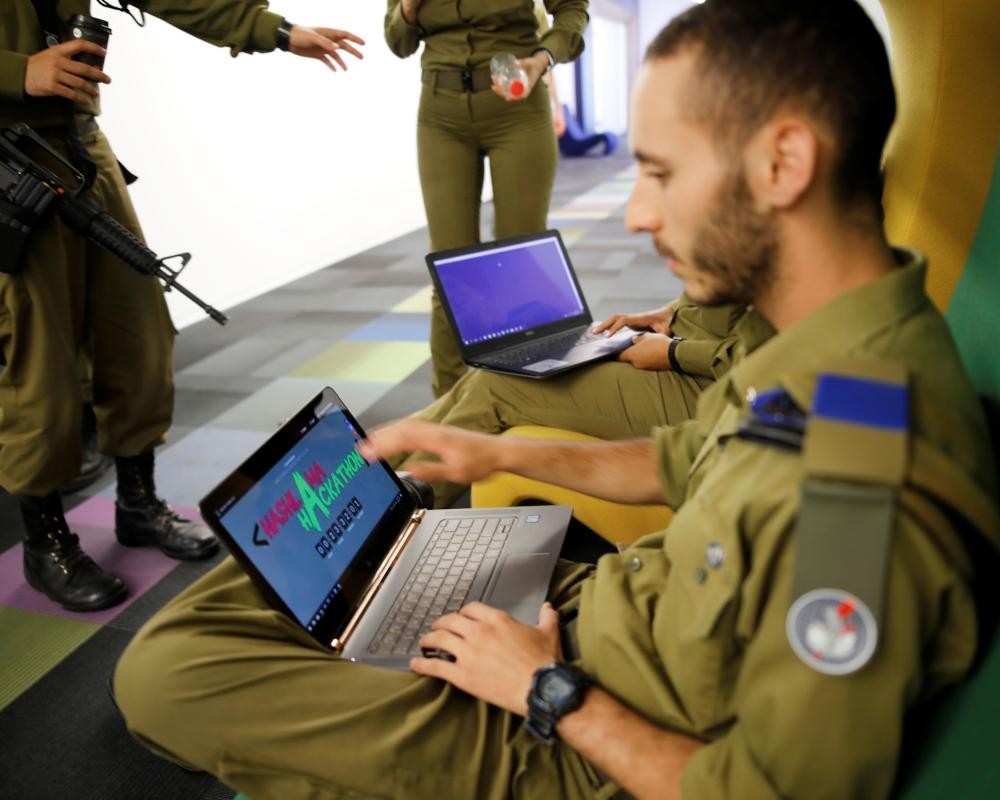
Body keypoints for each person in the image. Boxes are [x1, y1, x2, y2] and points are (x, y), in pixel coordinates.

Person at [115, 3, 999, 798]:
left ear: (784, 163)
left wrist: (546, 688)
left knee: (166, 669)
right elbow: (680, 460)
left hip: (573, 738)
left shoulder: (861, 488)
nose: (636, 214)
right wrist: (500, 452)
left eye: (660, 173)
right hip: (596, 614)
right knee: (284, 580)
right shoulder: (831, 345)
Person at [0, 1, 364, 612]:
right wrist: (19, 73)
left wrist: (276, 32)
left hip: (80, 142)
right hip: (8, 157)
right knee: (39, 360)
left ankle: (137, 503)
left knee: (137, 331)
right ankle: (46, 544)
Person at [385, 0, 589, 398]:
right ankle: (449, 408)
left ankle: (524, 400)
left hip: (517, 102)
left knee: (520, 267)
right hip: (440, 111)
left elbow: (572, 9)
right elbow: (398, 42)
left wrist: (543, 58)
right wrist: (408, 8)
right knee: (451, 275)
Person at [391, 295, 773, 508]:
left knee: (498, 384)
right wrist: (675, 310)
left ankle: (398, 517)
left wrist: (676, 352)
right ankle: (376, 467)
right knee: (489, 371)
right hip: (691, 347)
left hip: (720, 388)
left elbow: (772, 358)